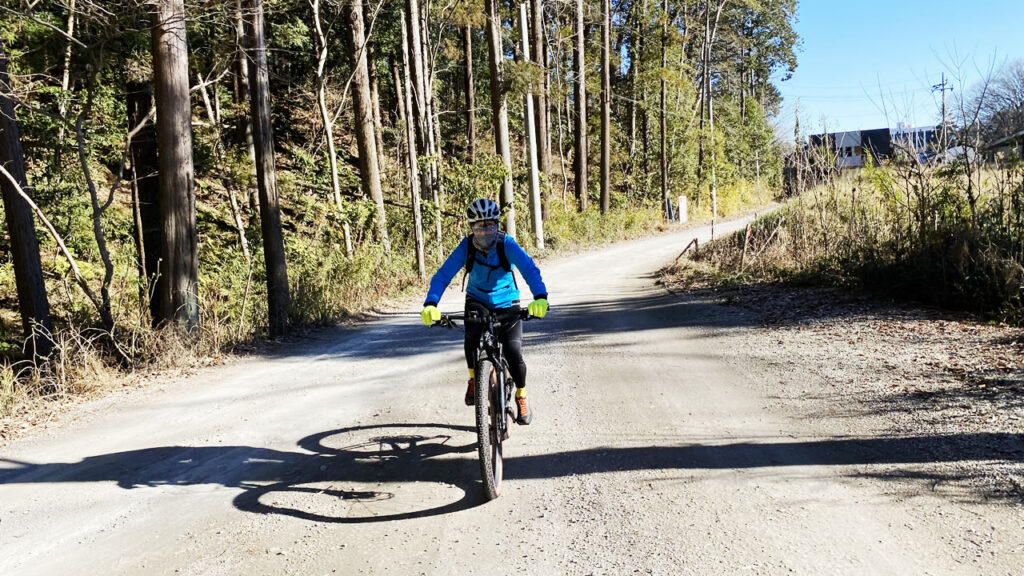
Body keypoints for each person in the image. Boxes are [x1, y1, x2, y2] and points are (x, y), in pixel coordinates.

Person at [421, 198, 549, 425]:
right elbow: (443, 275)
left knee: (513, 351)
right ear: (472, 228)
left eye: (490, 225)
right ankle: (474, 380)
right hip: (477, 300)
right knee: (471, 341)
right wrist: (431, 303)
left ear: (497, 225)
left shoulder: (506, 244)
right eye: (479, 227)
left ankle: (521, 394)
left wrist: (540, 297)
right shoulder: (466, 246)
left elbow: (529, 269)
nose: (485, 231)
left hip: (507, 302)